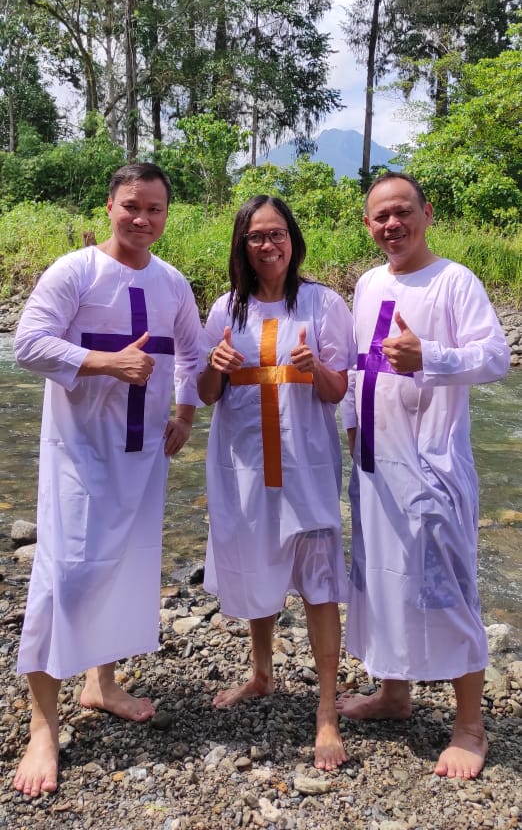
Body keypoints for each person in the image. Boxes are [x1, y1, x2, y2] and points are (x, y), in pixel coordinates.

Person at [12, 163, 201, 799]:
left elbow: (191, 354)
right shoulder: (76, 271)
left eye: (154, 208)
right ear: (110, 206)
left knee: (122, 566)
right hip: (79, 452)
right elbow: (28, 343)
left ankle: (101, 682)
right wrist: (103, 361)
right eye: (131, 206)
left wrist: (184, 414)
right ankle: (43, 725)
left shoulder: (172, 282)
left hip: (142, 453)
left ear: (167, 213)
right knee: (63, 576)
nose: (142, 219)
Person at [336, 172, 510, 780]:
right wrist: (350, 422)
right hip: (374, 464)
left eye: (403, 211)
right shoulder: (367, 284)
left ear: (427, 213)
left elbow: (495, 357)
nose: (393, 224)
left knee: (447, 586)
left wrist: (429, 356)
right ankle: (394, 692)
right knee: (383, 581)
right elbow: (358, 366)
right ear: (368, 224)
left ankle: (470, 726)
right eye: (381, 216)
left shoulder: (454, 281)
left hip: (432, 465)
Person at [198, 195, 356, 771]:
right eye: (257, 236)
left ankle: (326, 710)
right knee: (257, 560)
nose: (269, 245)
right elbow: (206, 395)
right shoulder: (227, 308)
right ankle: (261, 673)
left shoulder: (323, 303)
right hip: (243, 463)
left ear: (293, 238)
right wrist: (213, 367)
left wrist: (318, 370)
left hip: (304, 464)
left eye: (277, 233)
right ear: (243, 244)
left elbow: (339, 391)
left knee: (319, 579)